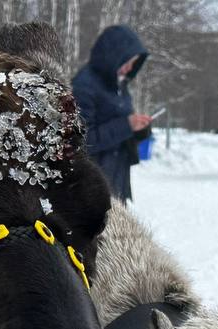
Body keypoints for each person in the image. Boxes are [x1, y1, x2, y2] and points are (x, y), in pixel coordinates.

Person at [72, 25, 151, 202]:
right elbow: (82, 140)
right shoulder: (84, 85)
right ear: (113, 56)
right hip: (92, 187)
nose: (130, 68)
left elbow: (119, 126)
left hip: (116, 180)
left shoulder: (118, 84)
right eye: (128, 61)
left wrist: (139, 129)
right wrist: (127, 125)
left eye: (134, 63)